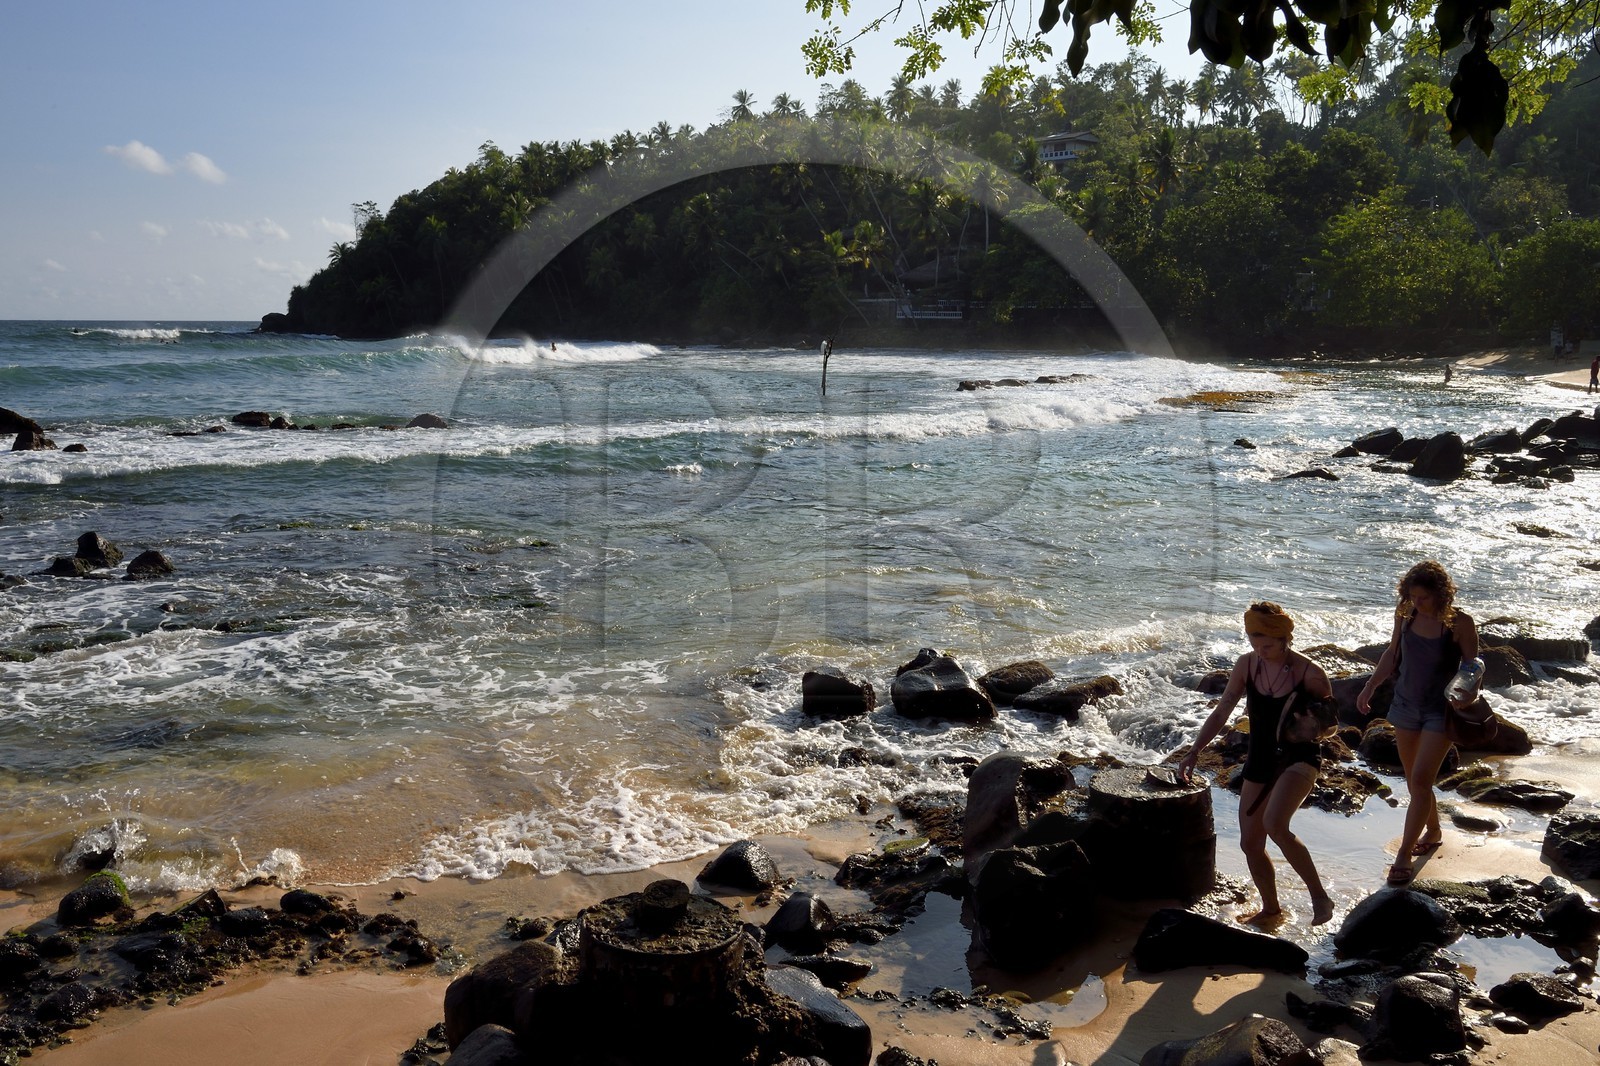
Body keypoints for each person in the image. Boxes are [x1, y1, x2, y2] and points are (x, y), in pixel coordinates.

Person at [1178, 603, 1336, 926]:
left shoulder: (1311, 674)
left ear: (1284, 639)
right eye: (1253, 641)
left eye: (1267, 644)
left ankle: (1320, 896)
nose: (1259, 650)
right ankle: (1271, 909)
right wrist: (1194, 750)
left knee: (1276, 824)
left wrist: (1314, 724)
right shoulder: (1247, 666)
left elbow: (1331, 725)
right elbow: (1223, 711)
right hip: (1261, 759)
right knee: (1250, 842)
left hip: (1299, 759)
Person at [1356, 561, 1479, 886]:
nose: (1417, 603)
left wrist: (1470, 694)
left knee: (1421, 782)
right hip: (1405, 707)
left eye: (1423, 597)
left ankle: (1404, 855)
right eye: (1412, 596)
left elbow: (1472, 668)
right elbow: (1392, 654)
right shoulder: (1406, 614)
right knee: (1415, 782)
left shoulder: (1460, 623)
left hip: (1442, 711)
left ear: (1440, 594)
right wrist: (1370, 685)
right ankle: (1434, 830)